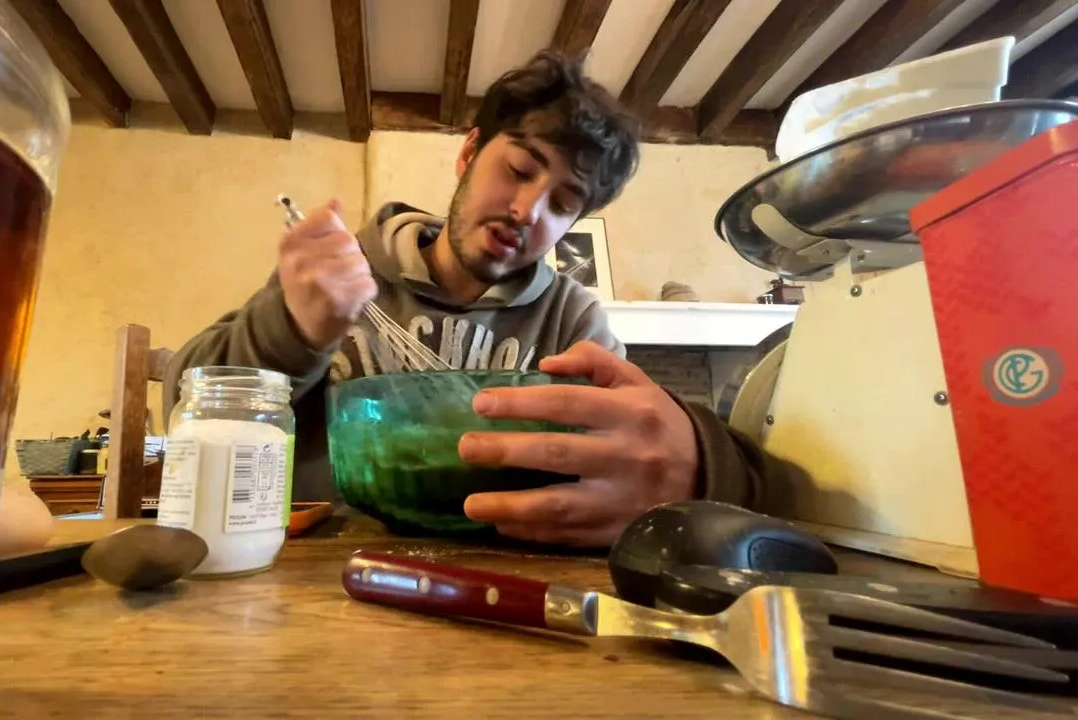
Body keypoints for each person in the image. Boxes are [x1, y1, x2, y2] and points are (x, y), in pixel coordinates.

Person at [164, 50, 797, 547]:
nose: (527, 210)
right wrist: (291, 331)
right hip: (312, 571)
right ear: (469, 152)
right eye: (519, 170)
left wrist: (686, 465)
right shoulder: (338, 272)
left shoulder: (574, 321)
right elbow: (181, 405)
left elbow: (622, 466)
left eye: (562, 204)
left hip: (505, 572)